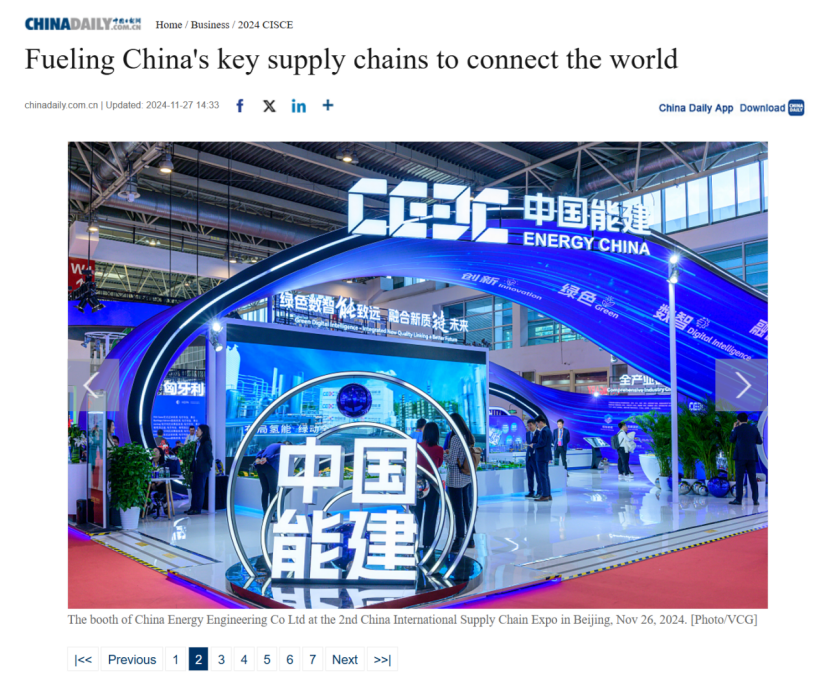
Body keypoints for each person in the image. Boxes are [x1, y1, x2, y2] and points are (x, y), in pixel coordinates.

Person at [443, 413, 477, 551]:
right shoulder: (468, 436)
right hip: (466, 476)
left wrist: (444, 455)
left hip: (455, 479)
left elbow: (452, 461)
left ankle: (459, 539)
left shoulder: (456, 438)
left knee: (458, 510)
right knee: (466, 508)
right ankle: (470, 539)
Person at [414, 422, 443, 550]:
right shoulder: (439, 449)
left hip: (418, 483)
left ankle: (414, 541)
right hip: (433, 484)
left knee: (416, 514)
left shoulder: (418, 447)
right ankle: (428, 543)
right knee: (431, 514)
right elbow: (439, 464)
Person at [729, 413, 764, 506]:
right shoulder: (754, 429)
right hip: (751, 457)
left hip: (740, 457)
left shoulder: (737, 429)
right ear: (747, 420)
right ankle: (755, 500)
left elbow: (731, 440)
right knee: (753, 478)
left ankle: (738, 500)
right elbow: (759, 441)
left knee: (739, 478)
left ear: (738, 421)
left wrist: (733, 428)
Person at [186, 424, 212, 515]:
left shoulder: (206, 442)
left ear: (203, 432)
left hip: (202, 469)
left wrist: (207, 467)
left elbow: (209, 457)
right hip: (196, 468)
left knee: (199, 490)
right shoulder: (198, 442)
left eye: (198, 430)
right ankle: (192, 507)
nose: (196, 431)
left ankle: (197, 509)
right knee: (194, 489)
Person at [253, 441, 283, 515]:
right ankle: (271, 513)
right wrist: (267, 458)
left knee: (265, 490)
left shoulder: (270, 445)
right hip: (270, 467)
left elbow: (260, 452)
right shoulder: (284, 445)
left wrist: (258, 458)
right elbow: (281, 454)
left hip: (260, 467)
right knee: (273, 490)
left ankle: (265, 513)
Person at [533, 415, 553, 500]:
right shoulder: (548, 430)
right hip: (546, 456)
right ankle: (548, 494)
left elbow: (542, 443)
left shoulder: (544, 431)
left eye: (537, 424)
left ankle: (545, 495)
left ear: (540, 422)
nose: (537, 426)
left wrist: (534, 445)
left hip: (541, 456)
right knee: (546, 476)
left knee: (543, 476)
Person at [524, 418, 538, 498]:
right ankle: (531, 491)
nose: (529, 427)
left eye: (531, 425)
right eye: (528, 425)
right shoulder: (527, 434)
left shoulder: (539, 433)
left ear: (535, 424)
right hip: (528, 457)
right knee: (529, 476)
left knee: (538, 476)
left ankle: (539, 492)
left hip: (536, 457)